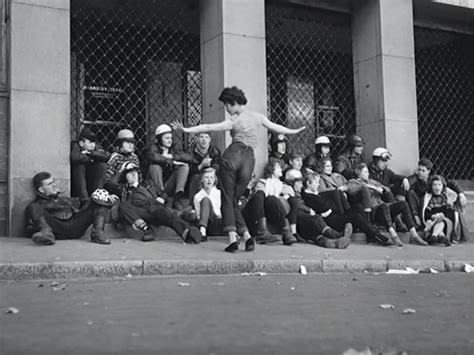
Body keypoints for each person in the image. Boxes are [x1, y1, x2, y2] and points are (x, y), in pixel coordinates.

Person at [171, 86, 305, 253]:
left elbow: (208, 127)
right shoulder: (258, 117)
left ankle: (233, 239)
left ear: (233, 103)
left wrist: (185, 130)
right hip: (249, 160)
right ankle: (247, 236)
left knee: (227, 198)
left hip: (233, 155)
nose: (227, 109)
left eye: (227, 105)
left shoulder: (234, 121)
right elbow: (277, 127)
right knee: (234, 199)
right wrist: (295, 130)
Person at [108, 162, 201, 244]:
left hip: (156, 207)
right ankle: (147, 229)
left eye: (135, 172)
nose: (133, 174)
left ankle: (187, 232)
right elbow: (110, 184)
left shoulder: (148, 184)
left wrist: (162, 198)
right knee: (124, 206)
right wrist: (121, 170)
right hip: (141, 211)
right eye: (129, 173)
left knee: (167, 213)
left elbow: (163, 194)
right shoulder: (123, 189)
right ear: (125, 176)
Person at [302, 172, 393, 247]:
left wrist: (329, 205)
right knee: (356, 216)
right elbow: (325, 207)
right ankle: (378, 236)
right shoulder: (308, 196)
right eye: (316, 182)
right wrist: (329, 205)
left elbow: (329, 206)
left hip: (335, 214)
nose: (318, 185)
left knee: (358, 207)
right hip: (330, 220)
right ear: (308, 183)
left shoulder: (318, 194)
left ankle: (371, 234)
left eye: (318, 182)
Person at [25, 171, 115, 245]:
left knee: (100, 197)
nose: (54, 185)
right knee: (33, 206)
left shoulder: (62, 199)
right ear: (41, 190)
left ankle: (97, 233)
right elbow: (29, 228)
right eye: (50, 184)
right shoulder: (37, 205)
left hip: (75, 224)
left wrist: (104, 199)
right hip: (58, 228)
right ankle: (47, 233)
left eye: (53, 182)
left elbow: (81, 208)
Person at [351, 163, 427, 247]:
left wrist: (382, 189)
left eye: (368, 172)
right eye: (365, 172)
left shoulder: (372, 181)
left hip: (383, 207)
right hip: (373, 211)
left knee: (403, 204)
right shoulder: (353, 182)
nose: (368, 174)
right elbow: (352, 190)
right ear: (358, 173)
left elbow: (387, 189)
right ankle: (394, 236)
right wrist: (371, 187)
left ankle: (414, 235)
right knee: (384, 206)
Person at [284, 168, 355, 248]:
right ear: (291, 182)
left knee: (315, 234)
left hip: (303, 226)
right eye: (299, 183)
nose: (301, 185)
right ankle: (338, 236)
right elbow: (294, 203)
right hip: (298, 221)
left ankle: (330, 243)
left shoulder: (299, 194)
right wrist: (309, 210)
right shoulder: (288, 190)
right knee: (316, 219)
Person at [243, 161, 298, 246]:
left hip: (277, 210)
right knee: (266, 196)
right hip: (264, 208)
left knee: (292, 200)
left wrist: (284, 196)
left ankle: (290, 231)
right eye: (278, 167)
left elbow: (290, 192)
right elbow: (261, 193)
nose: (281, 169)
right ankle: (263, 231)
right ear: (271, 170)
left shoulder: (282, 185)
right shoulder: (262, 182)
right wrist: (277, 196)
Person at [407, 157, 467, 230]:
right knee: (410, 192)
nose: (420, 172)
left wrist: (461, 194)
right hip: (423, 206)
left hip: (437, 205)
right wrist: (406, 180)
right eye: (419, 170)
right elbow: (410, 180)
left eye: (423, 171)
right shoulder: (416, 179)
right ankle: (417, 218)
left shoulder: (434, 179)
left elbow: (451, 183)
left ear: (428, 171)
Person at [145, 124, 193, 210]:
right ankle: (160, 196)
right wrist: (171, 161)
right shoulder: (153, 147)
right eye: (166, 138)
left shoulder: (174, 148)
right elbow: (152, 156)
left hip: (169, 184)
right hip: (156, 187)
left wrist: (172, 157)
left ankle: (177, 197)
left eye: (170, 138)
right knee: (154, 166)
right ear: (160, 138)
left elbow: (188, 157)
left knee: (184, 167)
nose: (169, 140)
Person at [421, 175, 465, 246]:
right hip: (432, 221)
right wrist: (433, 215)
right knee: (439, 221)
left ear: (443, 186)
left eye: (439, 185)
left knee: (443, 221)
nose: (437, 187)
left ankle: (434, 235)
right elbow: (425, 212)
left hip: (446, 222)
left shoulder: (446, 196)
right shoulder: (428, 197)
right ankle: (441, 236)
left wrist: (441, 214)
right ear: (431, 186)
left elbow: (451, 212)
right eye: (434, 185)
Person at [70, 128, 111, 204]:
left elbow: (106, 155)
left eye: (94, 142)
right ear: (81, 143)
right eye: (89, 142)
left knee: (101, 165)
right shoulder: (75, 145)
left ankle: (98, 196)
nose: (93, 145)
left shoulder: (95, 148)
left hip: (91, 182)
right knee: (80, 166)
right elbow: (75, 157)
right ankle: (84, 199)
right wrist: (91, 159)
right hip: (77, 185)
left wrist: (90, 154)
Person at [187, 132, 221, 206]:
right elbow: (189, 172)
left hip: (210, 175)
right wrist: (202, 165)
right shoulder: (191, 152)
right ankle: (192, 206)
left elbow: (217, 166)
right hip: (196, 175)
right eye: (201, 137)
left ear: (209, 140)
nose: (204, 139)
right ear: (197, 139)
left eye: (206, 137)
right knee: (196, 178)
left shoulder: (215, 151)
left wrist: (211, 168)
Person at [104, 129, 141, 194]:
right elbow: (108, 180)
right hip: (118, 187)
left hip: (133, 185)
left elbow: (140, 175)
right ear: (120, 143)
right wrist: (121, 170)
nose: (130, 145)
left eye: (132, 142)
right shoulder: (115, 157)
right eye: (127, 142)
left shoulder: (134, 157)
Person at [193, 167, 222, 241]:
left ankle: (202, 231)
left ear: (215, 179)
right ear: (202, 180)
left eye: (211, 177)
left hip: (217, 223)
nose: (209, 180)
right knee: (205, 200)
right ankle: (202, 232)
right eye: (206, 177)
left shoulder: (219, 194)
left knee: (206, 200)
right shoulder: (197, 196)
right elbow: (198, 215)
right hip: (206, 223)